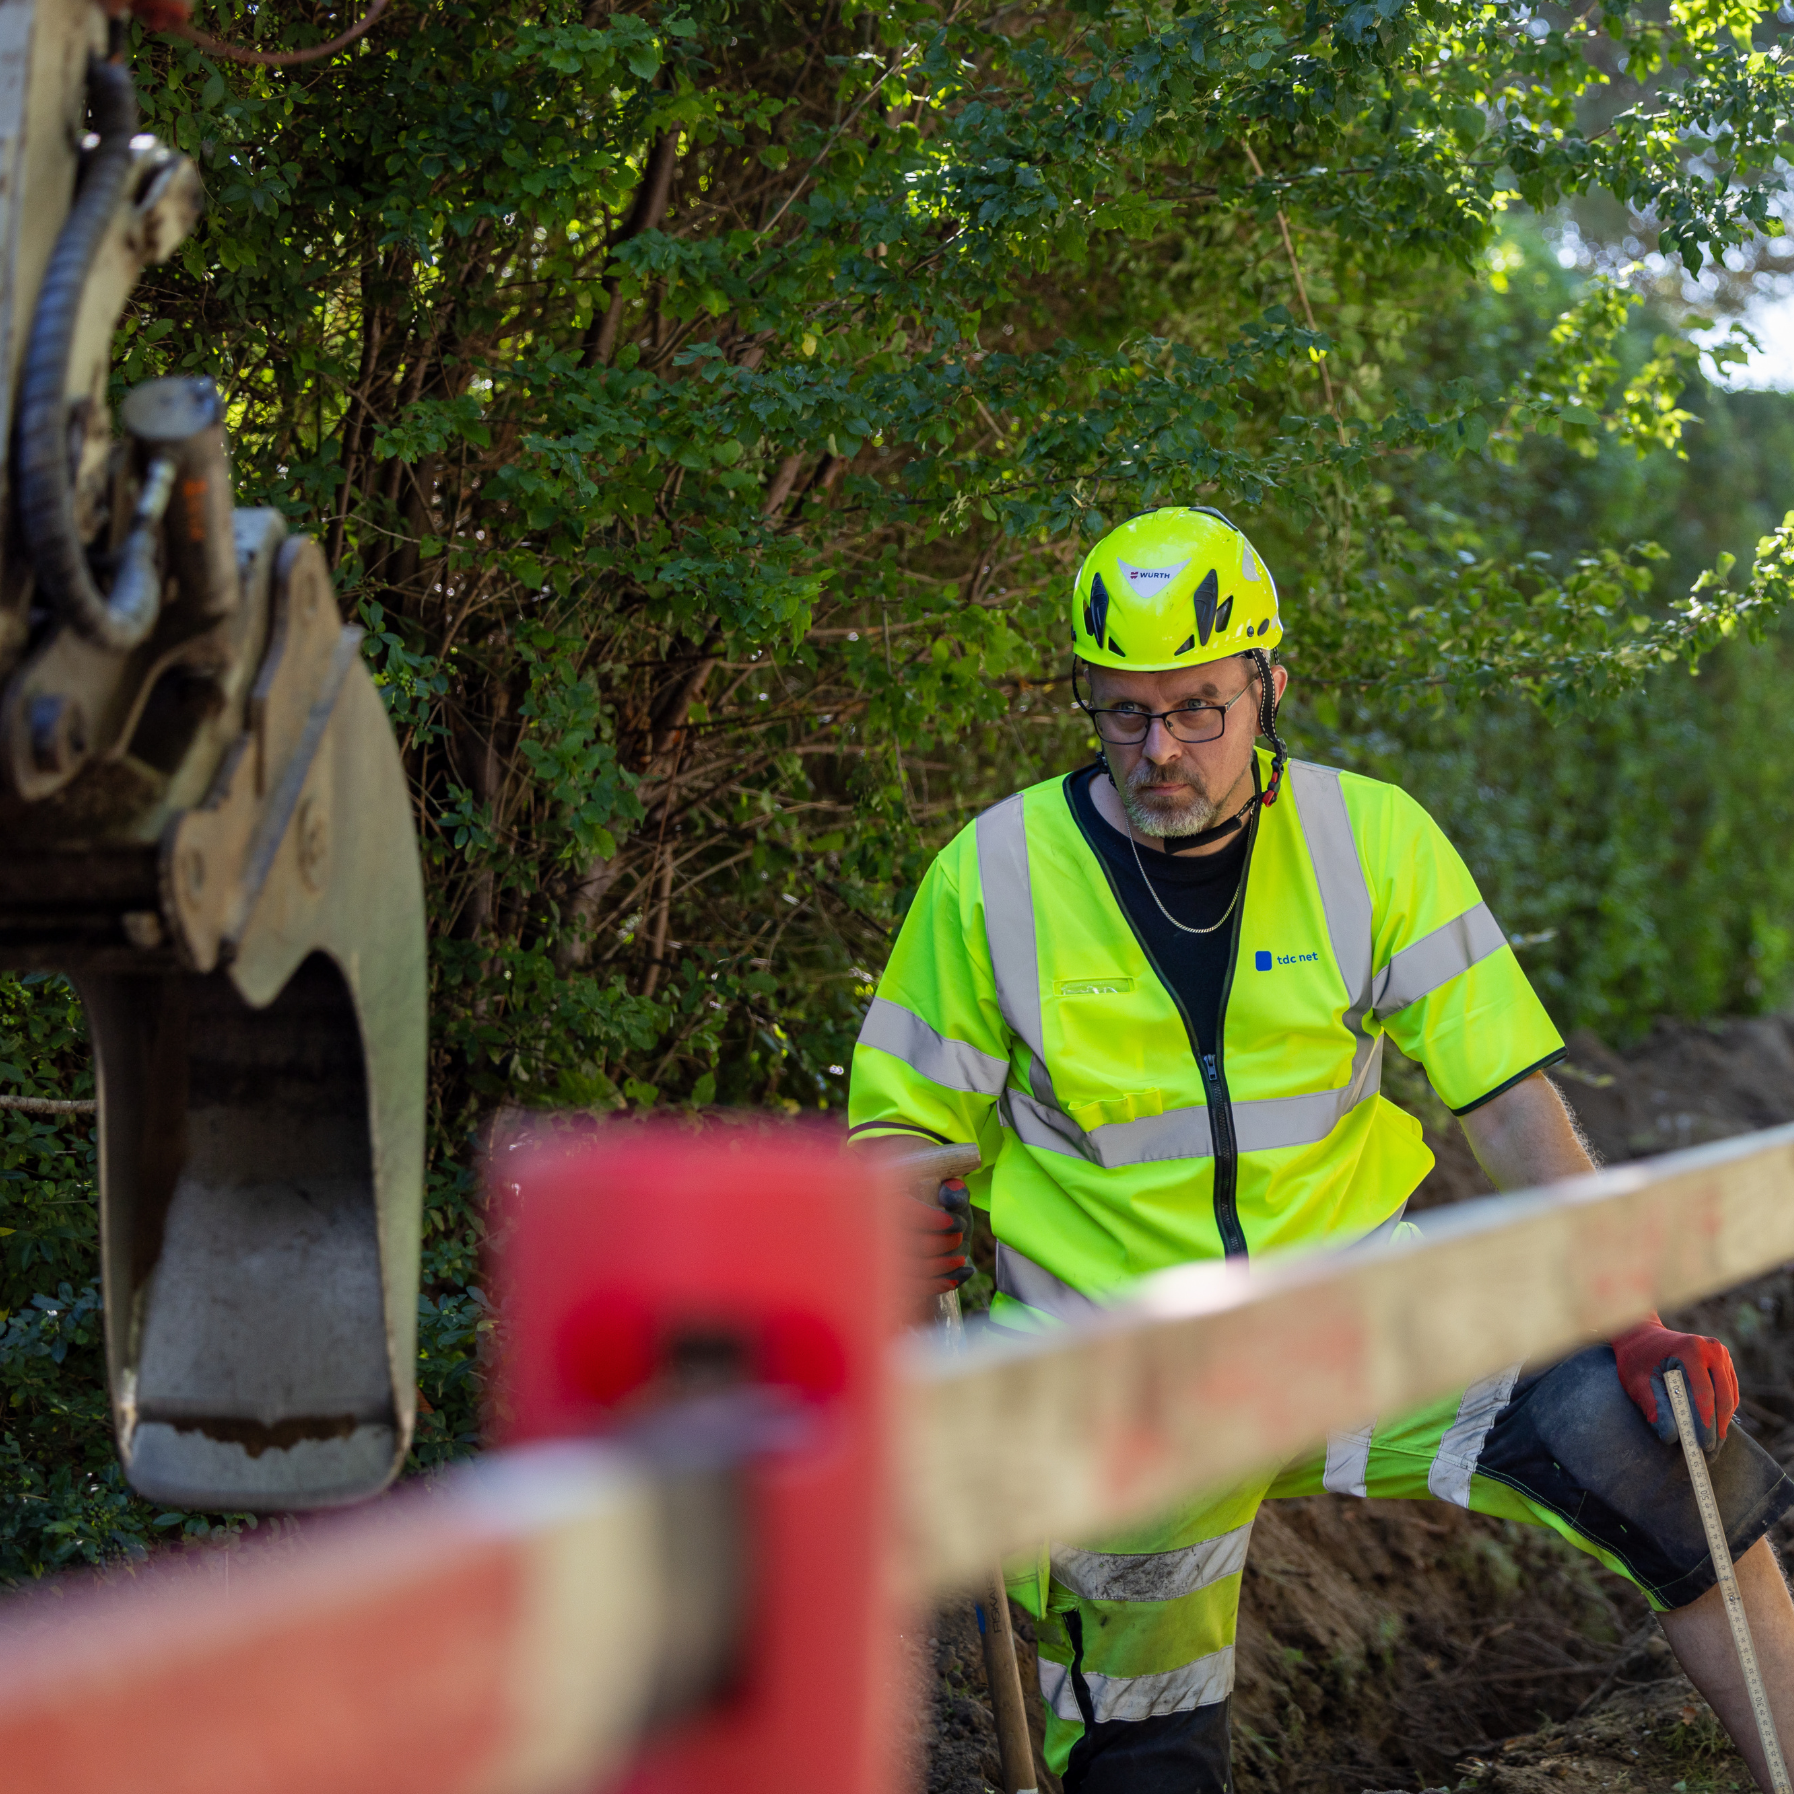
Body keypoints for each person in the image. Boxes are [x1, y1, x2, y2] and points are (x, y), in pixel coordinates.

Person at [848, 505, 1794, 1793]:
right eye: (1122, 713)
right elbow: (898, 1129)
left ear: (1268, 687)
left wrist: (1625, 1319)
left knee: (1670, 1457)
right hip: (1118, 1372)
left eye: (1197, 709)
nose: (1158, 749)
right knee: (1143, 1758)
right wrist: (898, 1202)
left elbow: (1511, 1100)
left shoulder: (1370, 840)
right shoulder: (990, 877)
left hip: (1365, 1309)